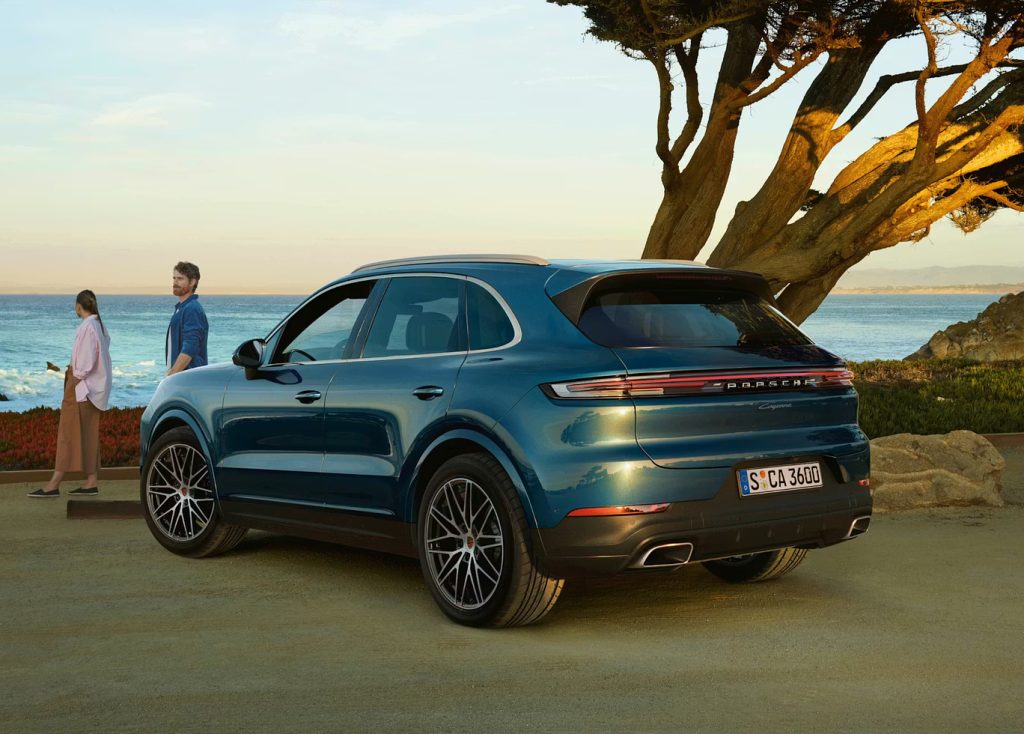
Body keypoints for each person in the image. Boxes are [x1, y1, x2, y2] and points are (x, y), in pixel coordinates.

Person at [29, 290, 113, 498]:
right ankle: (91, 481)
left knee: (67, 434)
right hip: (93, 389)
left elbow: (85, 363)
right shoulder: (99, 325)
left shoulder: (87, 327)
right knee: (89, 433)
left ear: (78, 306)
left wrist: (74, 375)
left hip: (81, 387)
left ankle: (54, 484)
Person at [165, 261, 208, 376]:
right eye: (174, 278)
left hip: (188, 379)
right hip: (184, 378)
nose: (175, 282)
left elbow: (190, 347)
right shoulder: (182, 309)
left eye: (180, 278)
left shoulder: (192, 309)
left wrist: (171, 375)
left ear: (192, 282)